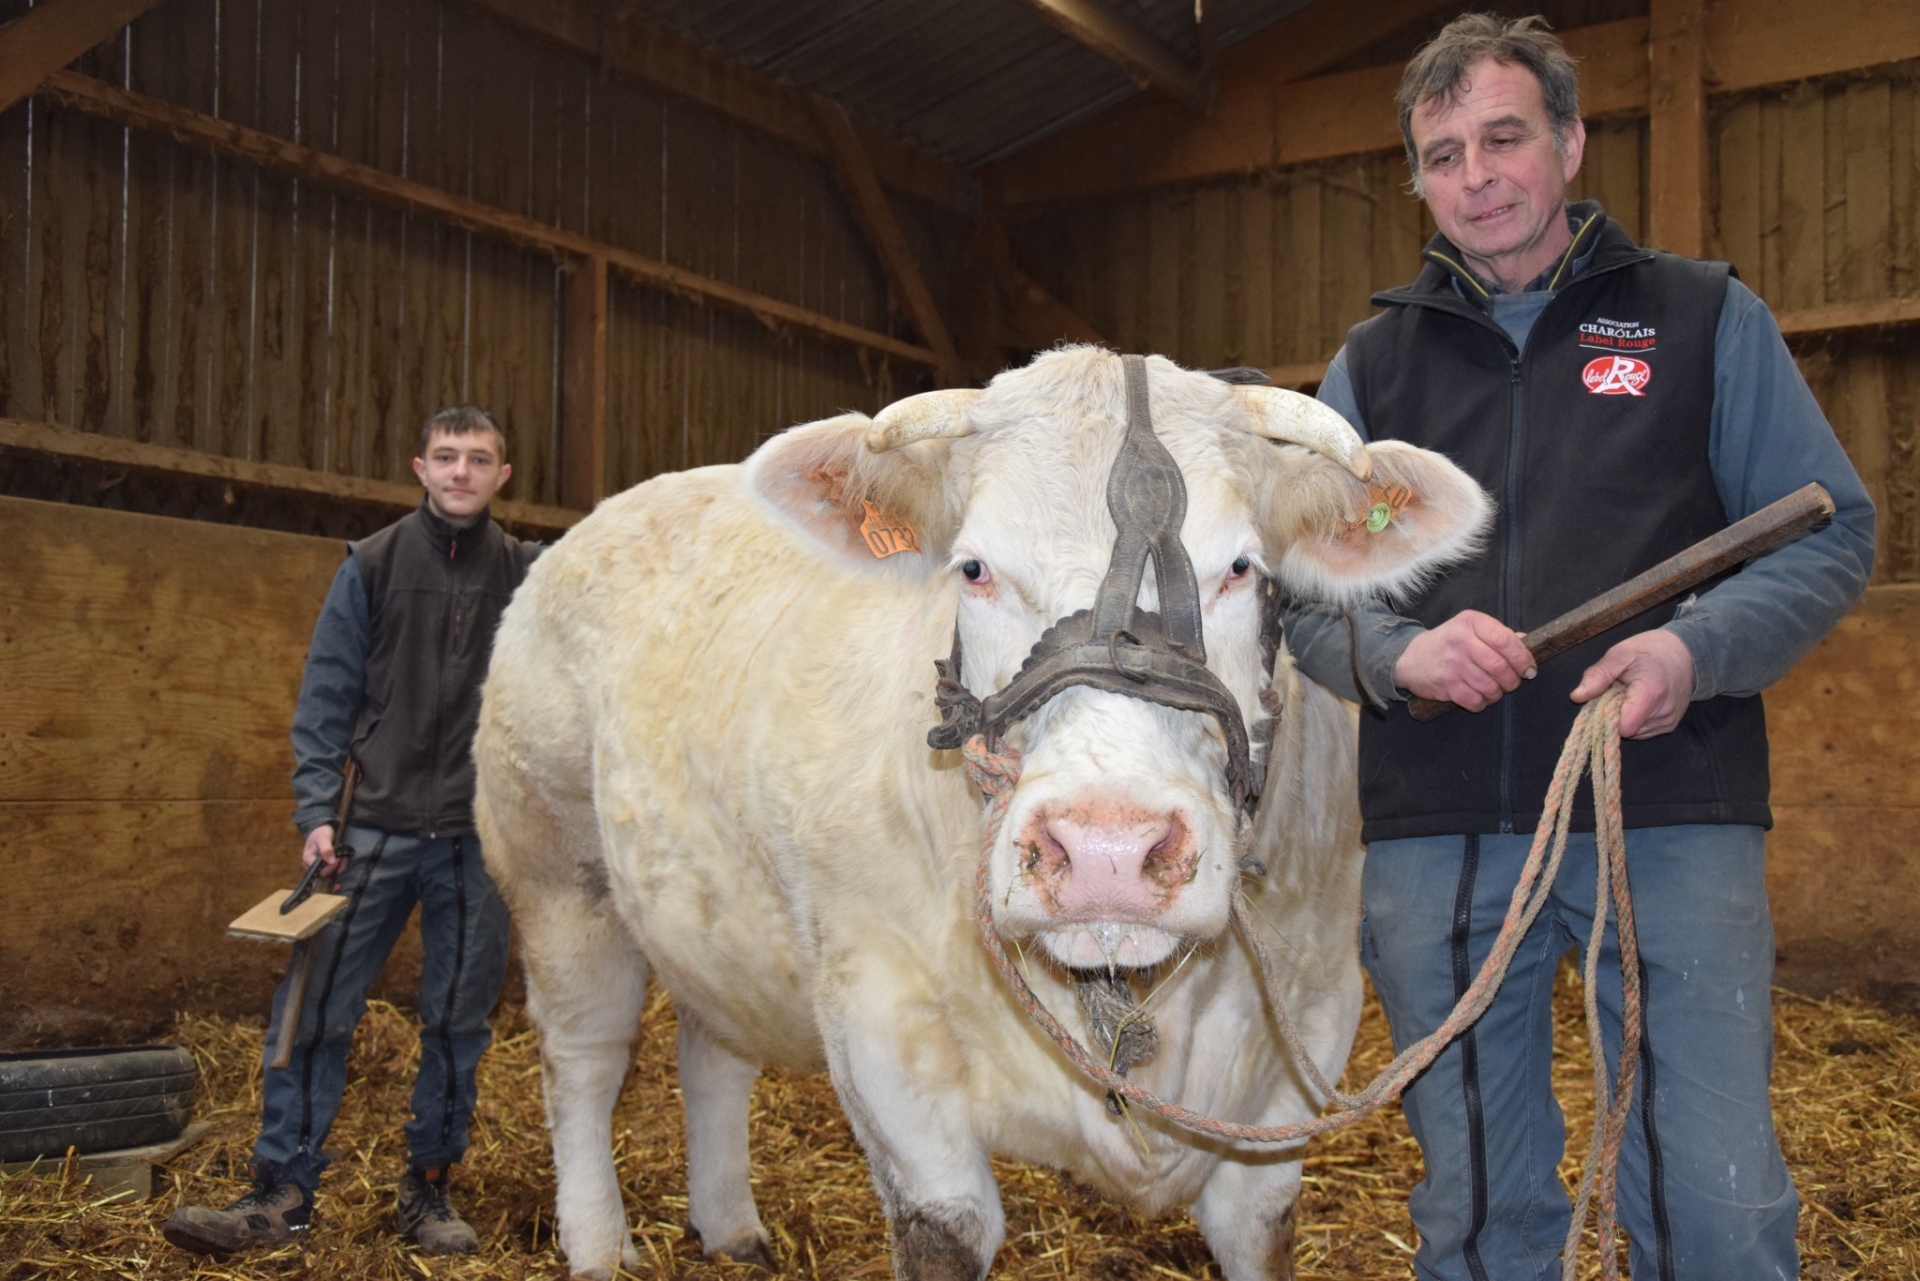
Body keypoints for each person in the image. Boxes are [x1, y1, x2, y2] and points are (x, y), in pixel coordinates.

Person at [1280, 15, 1875, 1281]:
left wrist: (1695, 651)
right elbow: (1301, 593)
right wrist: (1400, 657)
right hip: (1437, 824)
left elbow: (1832, 534)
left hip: (1661, 804)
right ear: (1419, 180)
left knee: (1713, 1192)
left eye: (1504, 138)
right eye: (1443, 155)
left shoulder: (1700, 318)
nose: (1477, 176)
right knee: (1476, 1208)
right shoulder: (1373, 370)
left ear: (1568, 141)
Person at [164, 406, 542, 1257]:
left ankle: (430, 1190)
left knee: (457, 1018)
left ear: (502, 476)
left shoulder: (527, 574)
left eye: (478, 459)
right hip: (367, 832)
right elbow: (325, 703)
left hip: (475, 841)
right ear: (418, 467)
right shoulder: (369, 565)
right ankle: (281, 1193)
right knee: (314, 1009)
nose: (460, 472)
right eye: (446, 457)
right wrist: (314, 817)